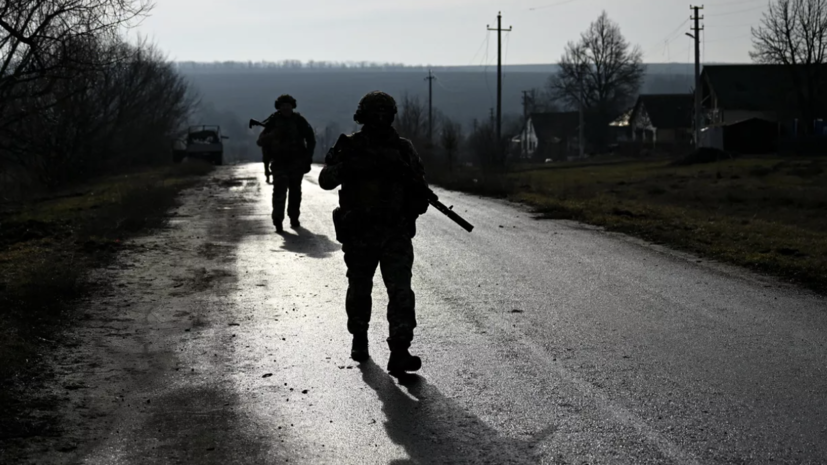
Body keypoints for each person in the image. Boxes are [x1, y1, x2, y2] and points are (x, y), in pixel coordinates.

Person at [318, 91, 430, 376]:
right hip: (360, 232)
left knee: (401, 291)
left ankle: (400, 350)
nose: (380, 118)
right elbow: (325, 180)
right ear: (364, 116)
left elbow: (420, 194)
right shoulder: (350, 146)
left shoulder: (403, 149)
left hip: (395, 232)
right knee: (360, 288)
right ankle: (359, 336)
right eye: (375, 113)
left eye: (384, 113)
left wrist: (408, 186)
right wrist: (352, 167)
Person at [257, 94, 316, 232]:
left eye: (288, 105)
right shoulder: (273, 121)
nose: (285, 108)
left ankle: (294, 217)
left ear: (292, 106)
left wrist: (308, 157)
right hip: (279, 162)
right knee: (279, 190)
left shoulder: (299, 121)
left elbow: (311, 139)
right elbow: (260, 141)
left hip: (297, 161)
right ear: (278, 107)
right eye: (282, 105)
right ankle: (278, 219)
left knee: (295, 191)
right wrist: (273, 135)